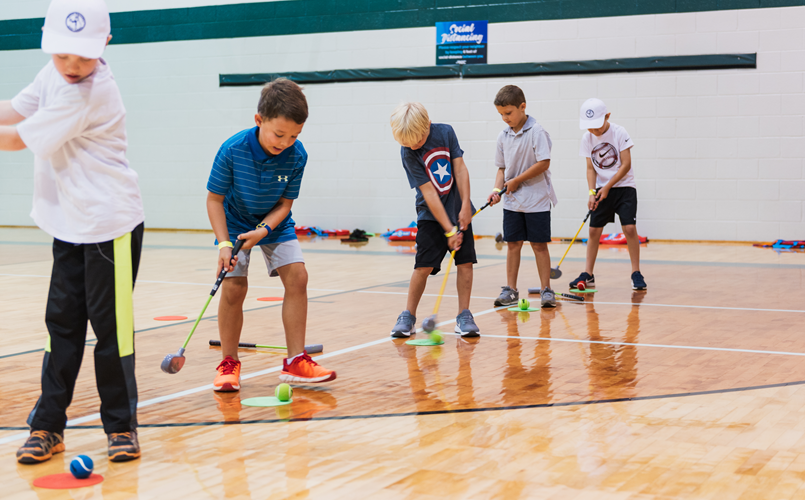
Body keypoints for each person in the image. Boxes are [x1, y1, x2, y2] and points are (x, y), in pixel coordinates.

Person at [0, 0, 145, 463]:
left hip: (109, 225)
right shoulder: (53, 74)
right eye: (62, 54)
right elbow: (14, 109)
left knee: (110, 331)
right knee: (60, 324)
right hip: (68, 224)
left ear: (104, 44)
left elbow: (15, 138)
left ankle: (121, 428)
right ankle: (48, 426)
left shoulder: (91, 92)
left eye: (81, 56)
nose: (72, 65)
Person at [206, 78, 336, 393]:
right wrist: (225, 243)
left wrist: (264, 229)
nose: (286, 142)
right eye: (279, 134)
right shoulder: (232, 149)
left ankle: (295, 362)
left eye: (295, 135)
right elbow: (214, 200)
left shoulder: (297, 155)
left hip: (275, 223)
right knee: (234, 287)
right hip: (235, 224)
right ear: (259, 121)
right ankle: (228, 363)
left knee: (298, 278)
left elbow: (286, 204)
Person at [388, 102, 480, 338]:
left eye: (417, 141)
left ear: (427, 125)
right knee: (423, 266)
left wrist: (466, 206)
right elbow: (429, 193)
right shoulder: (407, 151)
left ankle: (464, 315)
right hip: (430, 215)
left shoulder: (445, 132)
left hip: (459, 210)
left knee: (465, 262)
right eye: (407, 143)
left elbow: (460, 170)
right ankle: (407, 315)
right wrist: (449, 230)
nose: (413, 146)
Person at [487, 85, 558, 308]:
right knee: (513, 244)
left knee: (538, 245)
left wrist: (517, 180)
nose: (505, 118)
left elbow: (544, 162)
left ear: (522, 106)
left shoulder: (537, 131)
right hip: (512, 202)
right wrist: (497, 190)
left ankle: (546, 289)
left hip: (536, 200)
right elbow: (501, 168)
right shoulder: (502, 136)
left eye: (508, 113)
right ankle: (511, 290)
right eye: (501, 114)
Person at [573, 98, 647, 291]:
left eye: (597, 126)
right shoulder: (587, 138)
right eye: (590, 127)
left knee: (629, 229)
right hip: (600, 189)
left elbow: (626, 165)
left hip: (624, 187)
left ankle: (636, 272)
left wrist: (608, 187)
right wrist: (592, 192)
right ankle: (588, 274)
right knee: (593, 231)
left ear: (607, 116)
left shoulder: (619, 132)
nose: (594, 131)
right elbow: (590, 168)